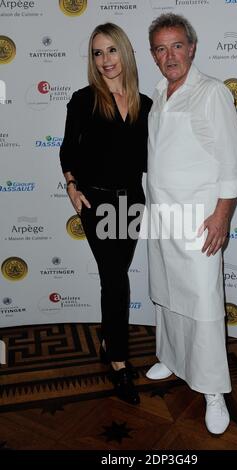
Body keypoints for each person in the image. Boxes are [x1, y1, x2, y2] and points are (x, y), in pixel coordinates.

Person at [146, 13, 237, 434]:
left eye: (177, 46)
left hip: (200, 219)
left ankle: (212, 391)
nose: (170, 55)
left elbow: (233, 161)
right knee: (167, 292)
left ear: (192, 47)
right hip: (162, 215)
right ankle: (170, 357)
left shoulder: (211, 92)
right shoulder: (158, 93)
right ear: (153, 54)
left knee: (203, 304)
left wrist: (222, 215)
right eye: (160, 48)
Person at [60, 23, 152, 405]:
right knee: (115, 280)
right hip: (95, 203)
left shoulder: (147, 104)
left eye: (111, 50)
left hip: (131, 201)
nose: (105, 60)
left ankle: (105, 338)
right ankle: (118, 360)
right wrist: (70, 184)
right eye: (97, 53)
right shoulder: (83, 100)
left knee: (114, 278)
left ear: (125, 53)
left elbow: (152, 158)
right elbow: (67, 149)